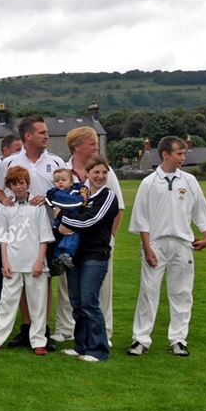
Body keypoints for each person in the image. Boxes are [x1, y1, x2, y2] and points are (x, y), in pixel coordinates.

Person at [128, 136, 206, 357]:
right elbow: (142, 219)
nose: (184, 158)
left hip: (182, 244)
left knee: (182, 293)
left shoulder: (189, 180)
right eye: (180, 153)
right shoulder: (148, 183)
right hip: (155, 244)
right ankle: (140, 340)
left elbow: (200, 209)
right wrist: (147, 248)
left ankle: (178, 340)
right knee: (148, 292)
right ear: (165, 154)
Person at [51, 126, 125, 345]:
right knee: (68, 286)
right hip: (70, 241)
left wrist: (110, 237)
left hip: (97, 243)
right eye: (92, 143)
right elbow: (56, 203)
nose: (96, 146)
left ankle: (105, 332)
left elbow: (118, 207)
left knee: (100, 287)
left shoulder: (104, 172)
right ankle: (66, 330)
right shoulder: (62, 170)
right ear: (77, 146)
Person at [0, 166, 54, 355]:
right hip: (13, 263)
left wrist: (40, 261)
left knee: (38, 303)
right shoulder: (7, 208)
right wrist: (4, 262)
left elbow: (44, 237)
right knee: (6, 302)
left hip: (34, 263)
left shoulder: (37, 206)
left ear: (27, 183)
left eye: (21, 183)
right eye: (14, 184)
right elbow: (3, 238)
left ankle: (39, 341)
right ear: (9, 187)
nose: (18, 187)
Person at [57, 156, 119, 362]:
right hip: (76, 256)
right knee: (76, 302)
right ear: (87, 174)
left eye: (103, 172)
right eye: (96, 172)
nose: (100, 176)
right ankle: (81, 345)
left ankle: (98, 350)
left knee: (89, 302)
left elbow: (89, 221)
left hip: (95, 255)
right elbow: (65, 207)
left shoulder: (108, 196)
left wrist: (62, 219)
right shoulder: (81, 195)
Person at [45, 168, 84, 272]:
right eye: (57, 181)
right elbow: (70, 204)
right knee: (71, 236)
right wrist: (81, 199)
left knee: (71, 237)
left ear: (71, 181)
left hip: (71, 222)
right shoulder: (57, 193)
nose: (60, 182)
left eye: (63, 180)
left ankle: (61, 257)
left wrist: (83, 189)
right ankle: (64, 255)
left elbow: (82, 188)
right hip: (61, 223)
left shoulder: (76, 189)